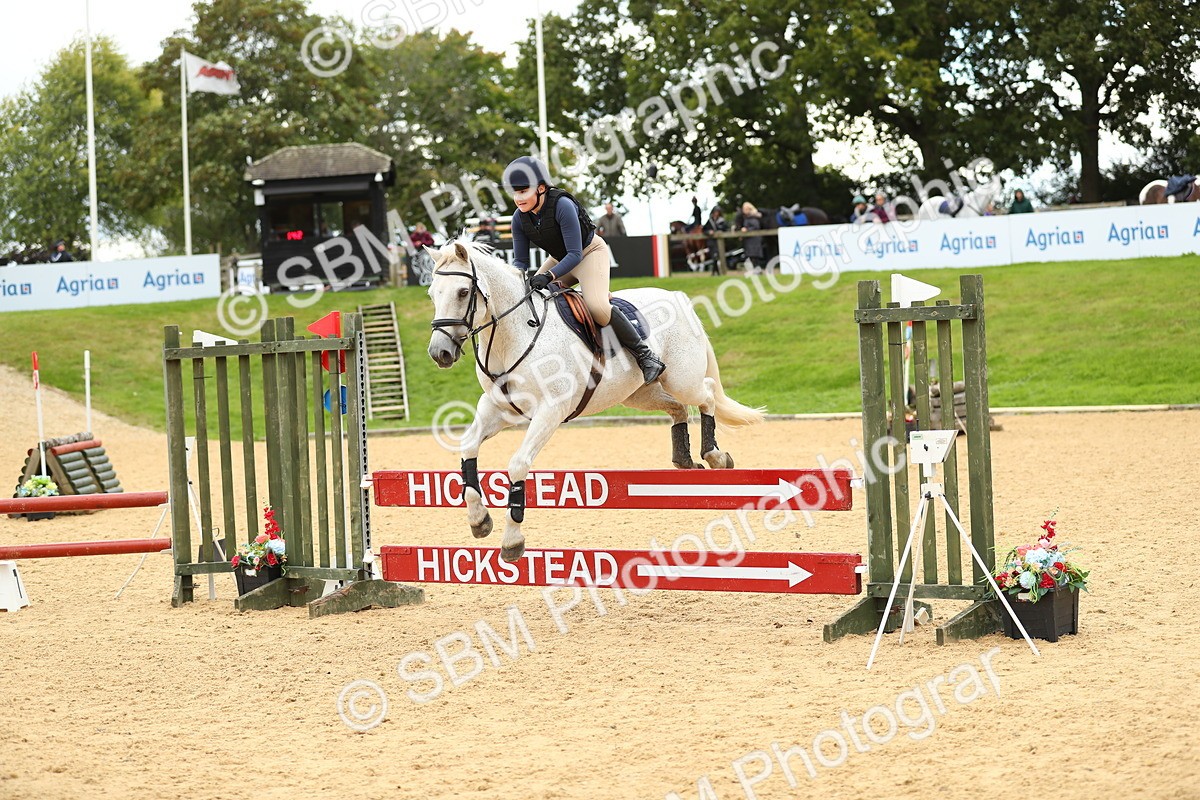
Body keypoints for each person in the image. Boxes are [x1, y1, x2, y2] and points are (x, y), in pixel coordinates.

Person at [503, 156, 664, 384]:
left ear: (541, 188)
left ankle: (646, 356)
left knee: (597, 307)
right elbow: (520, 262)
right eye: (514, 192)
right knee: (533, 299)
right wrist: (516, 280)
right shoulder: (519, 219)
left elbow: (576, 254)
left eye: (523, 191)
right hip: (559, 258)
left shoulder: (562, 205)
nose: (518, 198)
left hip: (589, 254)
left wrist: (548, 276)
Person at [737, 202, 765, 274]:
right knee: (752, 256)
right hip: (749, 240)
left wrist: (747, 230)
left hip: (754, 240)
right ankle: (756, 270)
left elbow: (756, 227)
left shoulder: (753, 217)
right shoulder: (747, 217)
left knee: (754, 256)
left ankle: (757, 271)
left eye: (745, 209)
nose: (744, 210)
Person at [702, 208, 728, 274]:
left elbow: (725, 229)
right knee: (714, 257)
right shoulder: (710, 221)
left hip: (719, 242)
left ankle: (715, 272)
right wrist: (709, 232)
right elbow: (704, 230)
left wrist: (718, 229)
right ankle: (716, 272)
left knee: (717, 256)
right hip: (711, 242)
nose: (716, 214)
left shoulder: (722, 221)